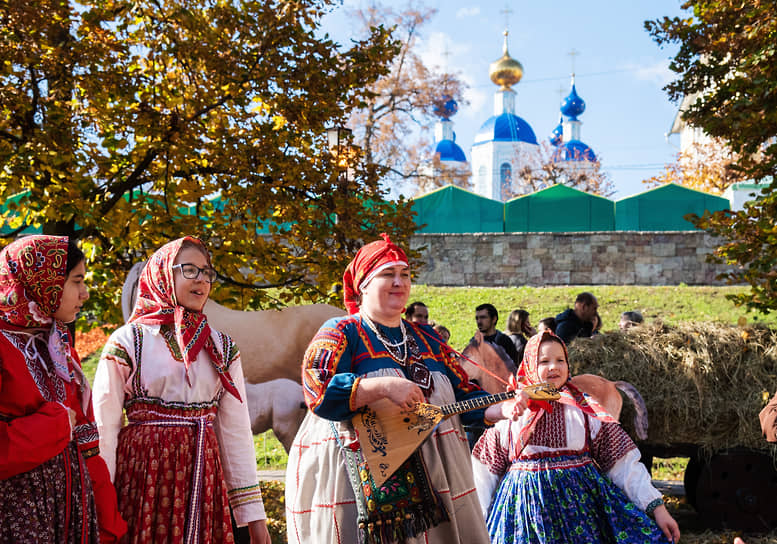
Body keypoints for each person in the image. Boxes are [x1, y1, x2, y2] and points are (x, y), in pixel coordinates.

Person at [285, 234, 514, 544]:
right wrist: (381, 386)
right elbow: (319, 391)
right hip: (364, 486)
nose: (399, 282)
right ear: (363, 284)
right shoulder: (342, 332)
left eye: (404, 274)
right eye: (387, 274)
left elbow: (461, 394)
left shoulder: (427, 339)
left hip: (441, 477)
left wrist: (500, 408)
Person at [93, 236, 270, 543]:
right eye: (189, 270)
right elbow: (104, 426)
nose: (201, 279)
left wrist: (253, 517)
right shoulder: (129, 341)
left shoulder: (221, 347)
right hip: (145, 477)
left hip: (204, 478)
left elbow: (235, 433)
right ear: (162, 273)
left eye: (207, 272)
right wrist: (100, 503)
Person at [471, 331, 681, 544]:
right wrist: (473, 524)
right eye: (544, 361)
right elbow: (483, 475)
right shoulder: (512, 414)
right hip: (524, 521)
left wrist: (657, 507)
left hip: (581, 519)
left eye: (560, 360)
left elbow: (623, 464)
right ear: (529, 366)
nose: (554, 366)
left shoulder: (585, 411)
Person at [0, 235, 127, 542]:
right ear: (42, 282)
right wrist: (54, 426)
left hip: (69, 514)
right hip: (16, 516)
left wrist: (109, 525)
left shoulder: (58, 346)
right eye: (76, 281)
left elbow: (85, 440)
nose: (84, 294)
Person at [474, 303, 519, 368]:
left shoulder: (504, 341)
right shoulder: (474, 342)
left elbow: (513, 368)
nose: (479, 322)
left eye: (483, 317)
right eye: (477, 318)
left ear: (494, 319)